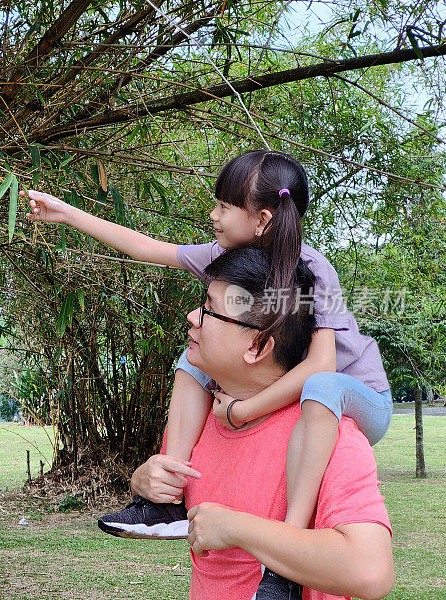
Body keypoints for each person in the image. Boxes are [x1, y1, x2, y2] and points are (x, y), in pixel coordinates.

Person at [24, 150, 393, 598]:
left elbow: (322, 367)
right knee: (189, 360)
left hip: (357, 392)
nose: (213, 215)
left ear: (261, 219)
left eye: (223, 205)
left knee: (322, 388)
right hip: (291, 387)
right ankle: (165, 501)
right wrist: (67, 214)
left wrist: (243, 409)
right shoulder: (227, 261)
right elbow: (146, 247)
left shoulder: (312, 271)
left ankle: (285, 566)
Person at [129, 246, 393, 600]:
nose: (193, 317)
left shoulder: (329, 433)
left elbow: (370, 572)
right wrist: (144, 480)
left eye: (209, 309)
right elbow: (175, 494)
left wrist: (236, 528)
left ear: (257, 346)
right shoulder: (202, 417)